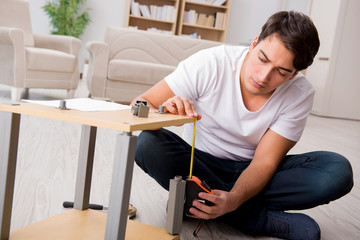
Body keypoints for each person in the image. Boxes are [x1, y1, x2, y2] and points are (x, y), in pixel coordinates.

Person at [132, 11, 353, 240]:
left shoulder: (300, 93)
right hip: (199, 162)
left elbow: (264, 162)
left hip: (253, 168)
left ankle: (195, 200)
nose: (264, 76)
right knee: (147, 143)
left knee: (336, 171)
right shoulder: (210, 63)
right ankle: (258, 220)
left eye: (281, 71)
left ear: (294, 74)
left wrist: (235, 198)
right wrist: (164, 109)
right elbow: (139, 104)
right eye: (263, 59)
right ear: (254, 44)